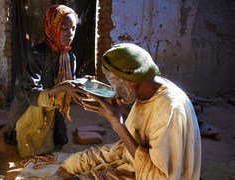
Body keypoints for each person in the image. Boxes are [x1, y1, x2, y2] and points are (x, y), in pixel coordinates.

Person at [61, 43, 201, 179]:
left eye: (112, 81)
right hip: (135, 157)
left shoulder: (169, 110)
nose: (112, 88)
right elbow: (145, 128)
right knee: (71, 164)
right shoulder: (149, 84)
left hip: (154, 174)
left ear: (130, 82)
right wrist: (124, 110)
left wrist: (118, 124)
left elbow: (157, 176)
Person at [4, 4, 84, 158]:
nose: (70, 34)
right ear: (52, 27)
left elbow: (69, 88)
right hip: (29, 105)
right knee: (30, 149)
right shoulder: (37, 54)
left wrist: (83, 84)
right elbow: (33, 95)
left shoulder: (69, 57)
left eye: (73, 28)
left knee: (51, 145)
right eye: (65, 29)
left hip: (52, 106)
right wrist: (62, 87)